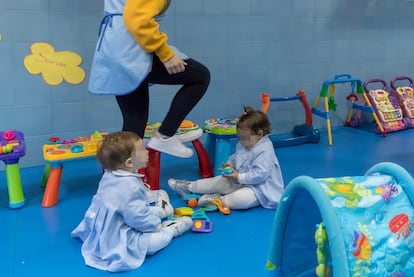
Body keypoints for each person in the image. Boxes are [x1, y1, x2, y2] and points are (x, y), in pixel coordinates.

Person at [88, 0, 210, 158]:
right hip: (131, 47)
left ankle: (121, 179)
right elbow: (137, 20)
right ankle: (165, 136)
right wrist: (166, 55)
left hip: (115, 47)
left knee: (134, 123)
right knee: (200, 76)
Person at [71, 131, 192, 272]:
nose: (146, 152)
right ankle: (173, 228)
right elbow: (136, 217)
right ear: (129, 162)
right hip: (119, 234)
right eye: (142, 150)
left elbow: (129, 208)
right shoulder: (130, 186)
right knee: (157, 241)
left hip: (111, 222)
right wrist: (155, 226)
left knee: (145, 210)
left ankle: (161, 211)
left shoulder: (110, 175)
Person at [168, 107, 284, 210]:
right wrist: (230, 165)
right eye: (240, 138)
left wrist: (238, 176)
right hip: (241, 180)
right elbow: (236, 157)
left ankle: (219, 200)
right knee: (220, 181)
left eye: (244, 138)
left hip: (260, 189)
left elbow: (260, 174)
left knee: (240, 198)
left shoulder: (265, 149)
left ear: (259, 134)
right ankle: (190, 187)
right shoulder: (245, 143)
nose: (241, 142)